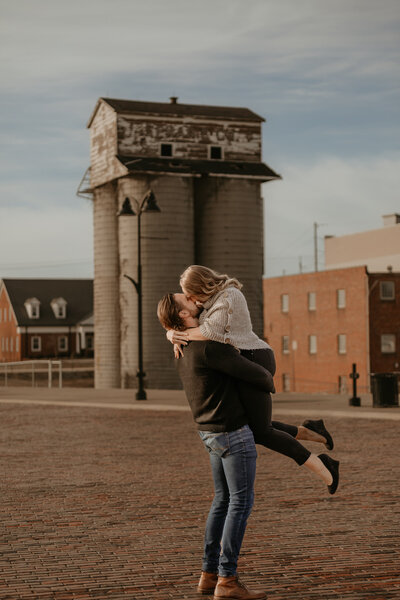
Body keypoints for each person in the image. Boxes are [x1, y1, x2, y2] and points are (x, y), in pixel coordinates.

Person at [165, 265, 339, 495]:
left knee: (260, 432)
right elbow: (186, 320)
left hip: (255, 359)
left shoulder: (229, 296)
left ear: (201, 286)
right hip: (239, 361)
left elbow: (211, 333)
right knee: (249, 427)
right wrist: (170, 330)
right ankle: (310, 431)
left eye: (189, 293)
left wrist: (179, 333)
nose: (190, 299)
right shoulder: (208, 302)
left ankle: (323, 466)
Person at [157, 292, 273, 600]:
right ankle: (227, 580)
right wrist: (265, 376)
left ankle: (209, 575)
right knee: (240, 503)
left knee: (222, 501)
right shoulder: (210, 347)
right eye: (188, 300)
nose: (194, 299)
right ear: (183, 315)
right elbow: (259, 375)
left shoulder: (181, 348)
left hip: (208, 432)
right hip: (232, 432)